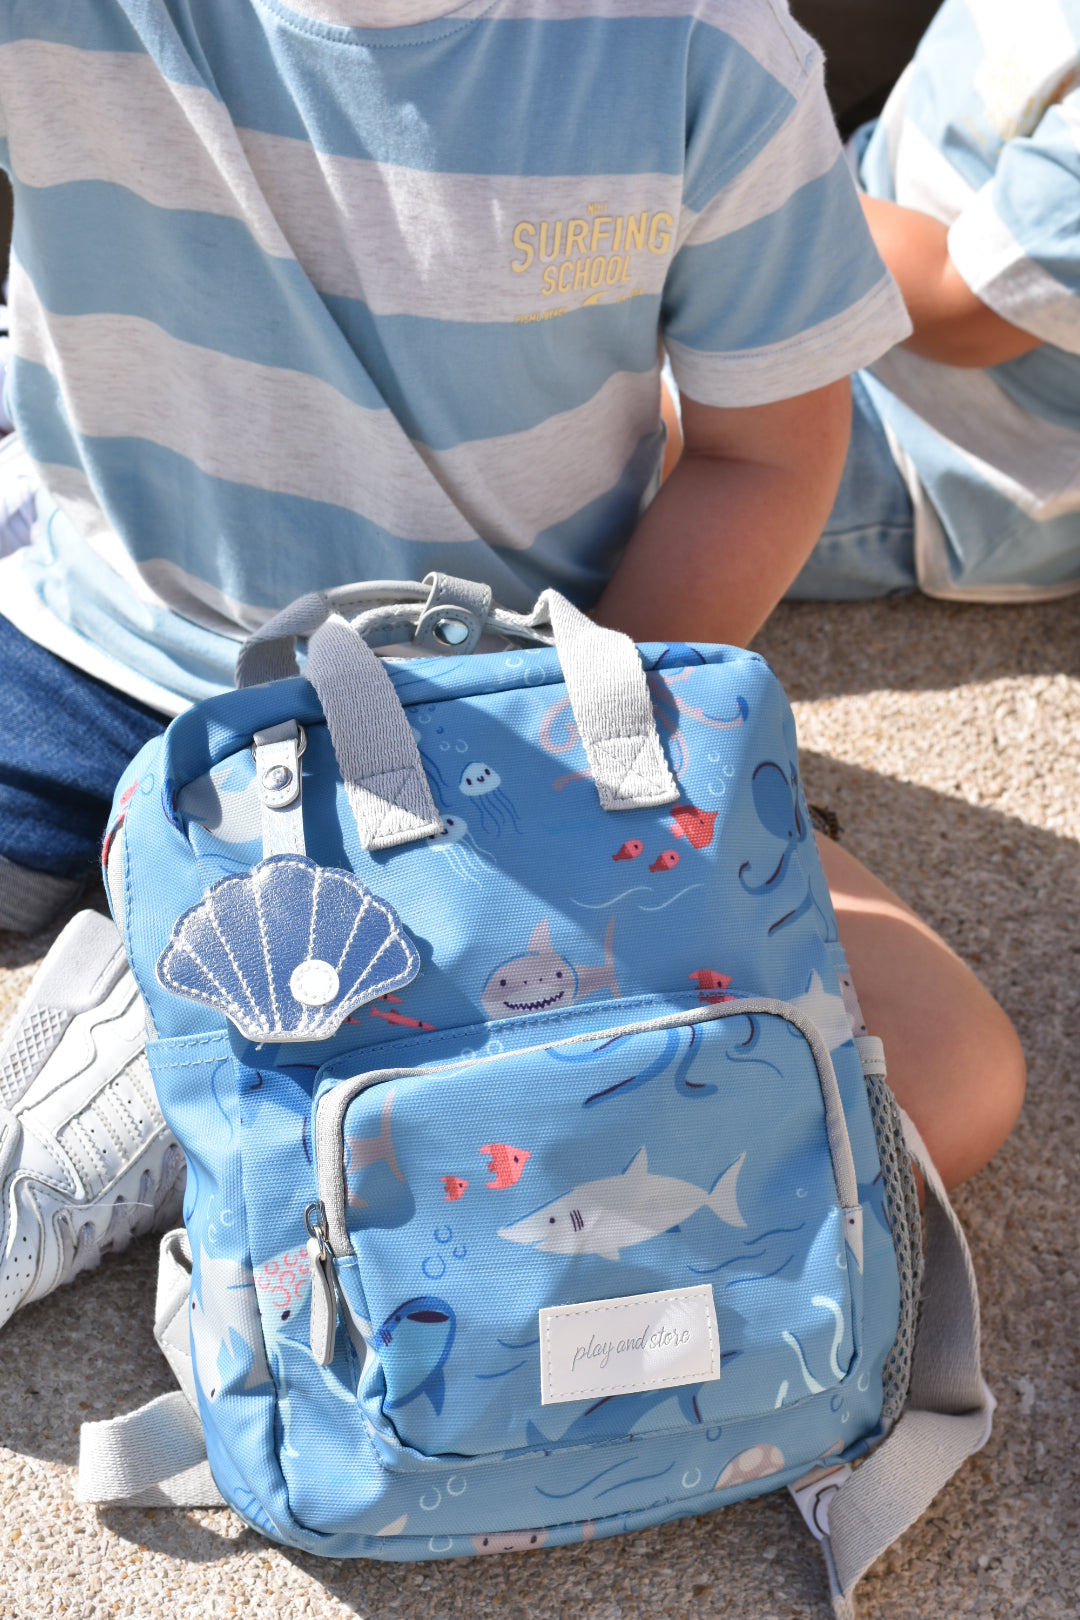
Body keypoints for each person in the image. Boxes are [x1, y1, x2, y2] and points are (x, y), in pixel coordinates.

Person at [0, 0, 1023, 1332]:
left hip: (493, 718)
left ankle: (203, 1049)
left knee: (942, 1078)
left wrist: (584, 764)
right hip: (96, 649)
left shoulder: (696, 45)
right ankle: (231, 1033)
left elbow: (763, 452)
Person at [788, 0, 1080, 603]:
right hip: (859, 204)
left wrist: (754, 186)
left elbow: (959, 307)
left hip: (925, 432)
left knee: (628, 453)